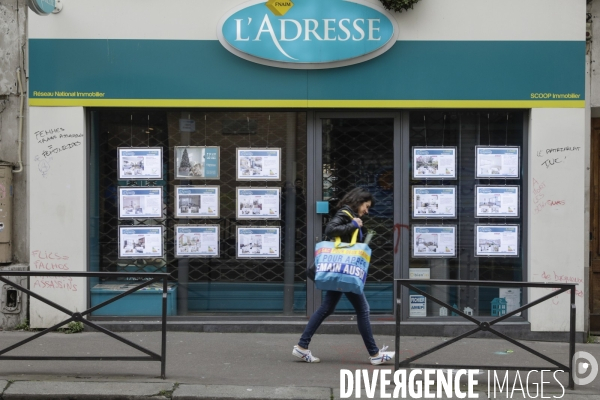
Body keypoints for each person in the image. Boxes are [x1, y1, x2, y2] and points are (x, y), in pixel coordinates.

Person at [292, 187, 395, 365]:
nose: (367, 211)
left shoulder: (350, 215)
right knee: (363, 309)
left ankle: (302, 347)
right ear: (359, 202)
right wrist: (354, 225)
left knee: (326, 308)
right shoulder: (346, 213)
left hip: (341, 269)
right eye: (366, 206)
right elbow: (330, 230)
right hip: (344, 270)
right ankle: (375, 354)